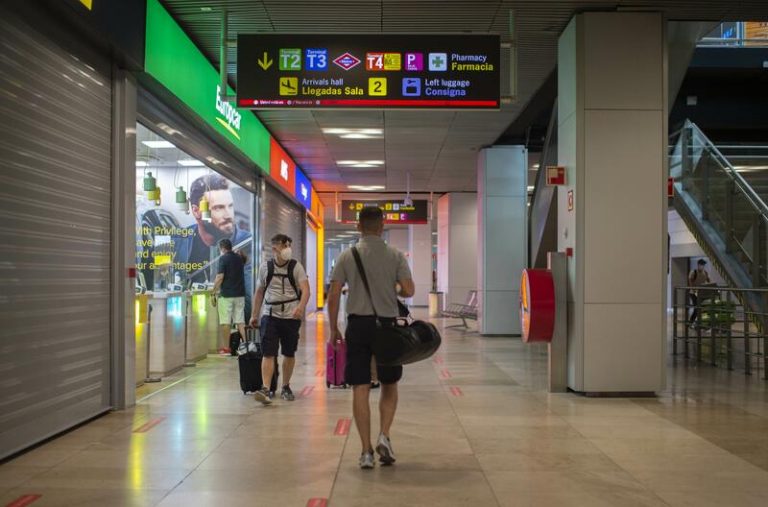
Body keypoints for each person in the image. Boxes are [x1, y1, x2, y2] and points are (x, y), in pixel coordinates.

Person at [327, 207, 415, 469]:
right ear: (382, 225)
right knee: (389, 383)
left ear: (358, 227)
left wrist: (333, 329)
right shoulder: (395, 255)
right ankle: (384, 435)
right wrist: (393, 285)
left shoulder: (347, 255)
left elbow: (333, 295)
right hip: (388, 327)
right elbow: (409, 290)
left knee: (360, 386)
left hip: (358, 325)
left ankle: (366, 451)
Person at [174, 174, 253, 321]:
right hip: (188, 324)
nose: (228, 215)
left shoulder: (247, 244)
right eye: (218, 208)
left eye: (230, 206)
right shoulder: (180, 241)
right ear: (196, 211)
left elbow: (247, 305)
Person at [250, 234, 310, 404]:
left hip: (291, 316)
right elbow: (260, 292)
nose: (288, 248)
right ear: (275, 248)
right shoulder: (265, 268)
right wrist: (255, 314)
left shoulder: (296, 267)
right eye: (285, 245)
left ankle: (285, 386)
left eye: (288, 245)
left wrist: (300, 308)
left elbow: (306, 290)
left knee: (288, 353)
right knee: (268, 353)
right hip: (270, 315)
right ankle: (266, 388)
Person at [212, 239, 246, 355]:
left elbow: (220, 277)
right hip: (240, 294)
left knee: (225, 322)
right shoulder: (239, 258)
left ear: (222, 248)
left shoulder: (223, 258)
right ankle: (245, 345)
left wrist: (213, 290)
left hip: (226, 295)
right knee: (240, 321)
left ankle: (226, 348)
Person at [688, 259, 711, 327]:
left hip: (701, 293)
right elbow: (690, 281)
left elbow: (709, 281)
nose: (702, 266)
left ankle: (701, 324)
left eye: (703, 265)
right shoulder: (693, 272)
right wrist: (694, 289)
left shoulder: (705, 273)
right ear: (698, 265)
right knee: (697, 308)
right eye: (701, 264)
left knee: (702, 308)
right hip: (693, 293)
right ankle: (691, 323)